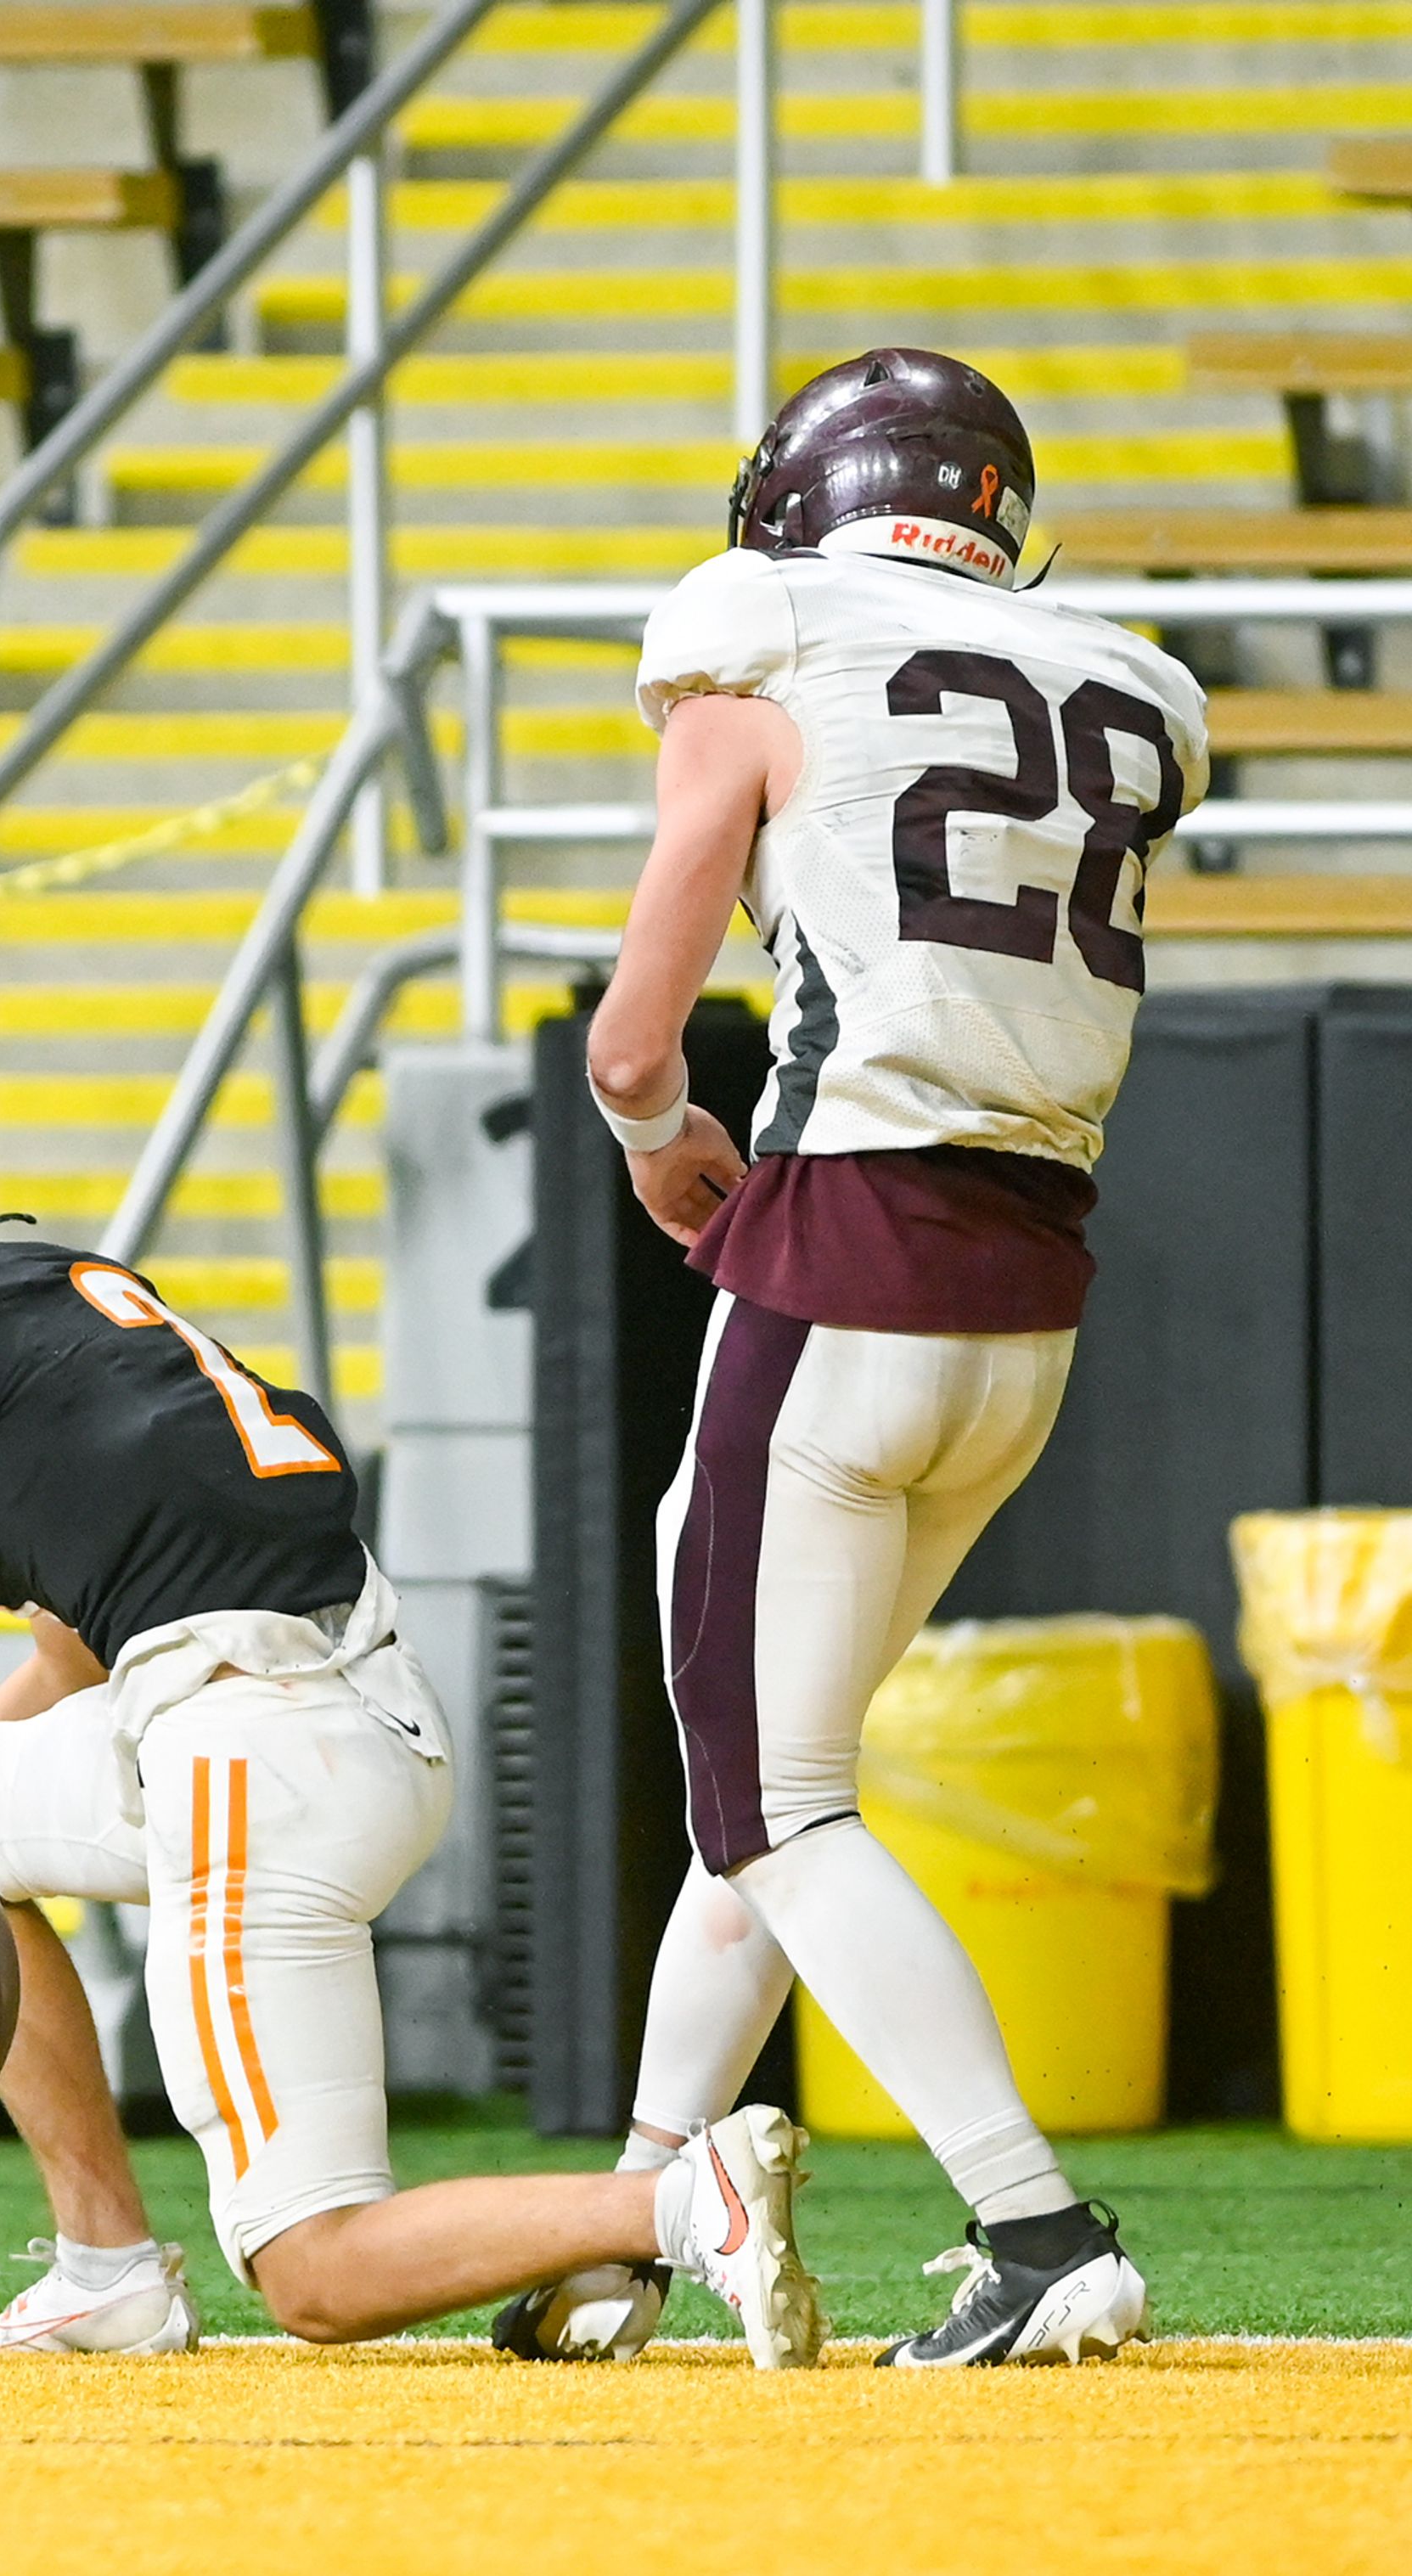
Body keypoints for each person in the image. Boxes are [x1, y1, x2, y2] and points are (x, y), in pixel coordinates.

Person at [0, 1036, 824, 2363]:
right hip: (350, 1701)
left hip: (249, 1742)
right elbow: (69, 1658)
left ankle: (689, 2203)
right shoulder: (58, 1289)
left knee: (316, 2272)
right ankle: (105, 2262)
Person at [498, 349, 1210, 2369]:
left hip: (837, 1266)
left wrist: (655, 1147)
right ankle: (630, 2227)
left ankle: (1033, 2219)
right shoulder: (1127, 682)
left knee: (775, 1797)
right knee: (770, 1778)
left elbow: (637, 1045)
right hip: (1025, 1298)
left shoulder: (765, 644)